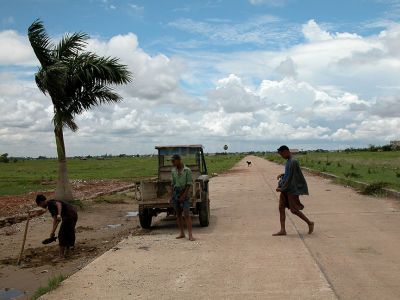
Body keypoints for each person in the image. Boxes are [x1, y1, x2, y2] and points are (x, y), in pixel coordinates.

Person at [273, 145, 314, 236]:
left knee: (294, 210)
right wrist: (283, 174)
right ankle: (283, 230)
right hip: (286, 188)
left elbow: (291, 177)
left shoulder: (293, 161)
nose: (281, 156)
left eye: (281, 154)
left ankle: (310, 223)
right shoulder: (288, 161)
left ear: (286, 151)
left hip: (291, 189)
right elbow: (289, 173)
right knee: (281, 207)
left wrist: (281, 189)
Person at [170, 154, 195, 241]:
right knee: (178, 214)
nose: (172, 163)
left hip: (185, 193)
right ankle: (182, 233)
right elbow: (172, 185)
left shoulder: (187, 170)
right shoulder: (173, 171)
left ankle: (190, 235)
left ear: (179, 160)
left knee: (187, 214)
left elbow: (189, 184)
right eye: (171, 161)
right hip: (176, 194)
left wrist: (184, 195)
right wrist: (171, 197)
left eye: (173, 161)